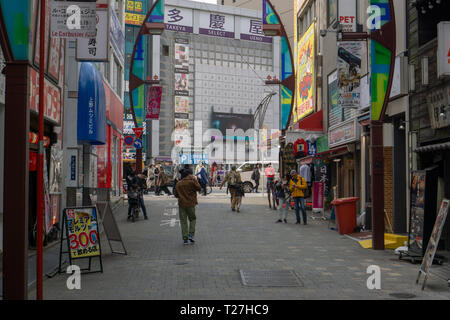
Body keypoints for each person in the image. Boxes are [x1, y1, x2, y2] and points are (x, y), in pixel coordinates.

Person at [174, 166, 202, 245]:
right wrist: (194, 180)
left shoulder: (179, 183)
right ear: (189, 175)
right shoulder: (192, 181)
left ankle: (185, 239)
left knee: (183, 221)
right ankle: (191, 234)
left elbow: (176, 194)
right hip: (191, 203)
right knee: (192, 219)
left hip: (182, 204)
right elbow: (199, 188)